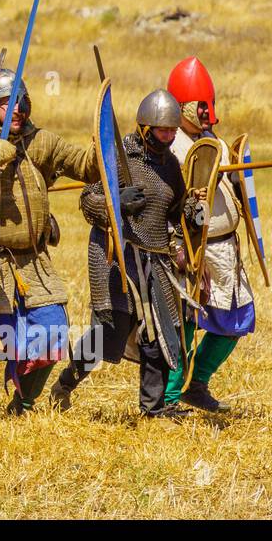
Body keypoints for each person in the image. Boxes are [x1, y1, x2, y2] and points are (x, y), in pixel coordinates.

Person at [52, 90, 204, 419]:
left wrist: (191, 212)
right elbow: (89, 200)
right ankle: (64, 384)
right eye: (164, 131)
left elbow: (175, 210)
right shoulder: (119, 157)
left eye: (173, 131)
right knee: (110, 332)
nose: (170, 136)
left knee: (160, 332)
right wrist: (117, 200)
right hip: (119, 256)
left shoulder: (171, 167)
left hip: (155, 258)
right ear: (145, 128)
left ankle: (153, 407)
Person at [0, 69, 99, 420]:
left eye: (20, 101)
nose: (16, 109)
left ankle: (22, 404)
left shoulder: (41, 142)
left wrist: (102, 148)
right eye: (6, 103)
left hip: (33, 262)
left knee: (52, 330)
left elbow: (83, 166)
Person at [165, 56, 255, 412]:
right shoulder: (174, 147)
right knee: (187, 322)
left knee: (236, 318)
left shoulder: (208, 139)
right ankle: (171, 396)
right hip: (195, 248)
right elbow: (177, 204)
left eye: (207, 105)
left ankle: (196, 382)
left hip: (225, 249)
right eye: (198, 105)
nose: (205, 112)